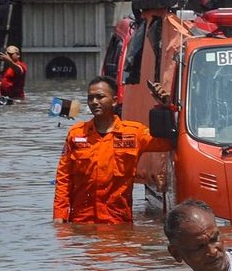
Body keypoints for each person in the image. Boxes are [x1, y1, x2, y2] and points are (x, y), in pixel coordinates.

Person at [53, 75, 174, 224]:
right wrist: (59, 217)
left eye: (100, 97)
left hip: (118, 222)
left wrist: (166, 108)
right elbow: (64, 179)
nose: (94, 102)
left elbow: (169, 142)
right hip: (82, 222)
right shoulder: (76, 134)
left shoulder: (133, 133)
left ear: (115, 100)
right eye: (90, 98)